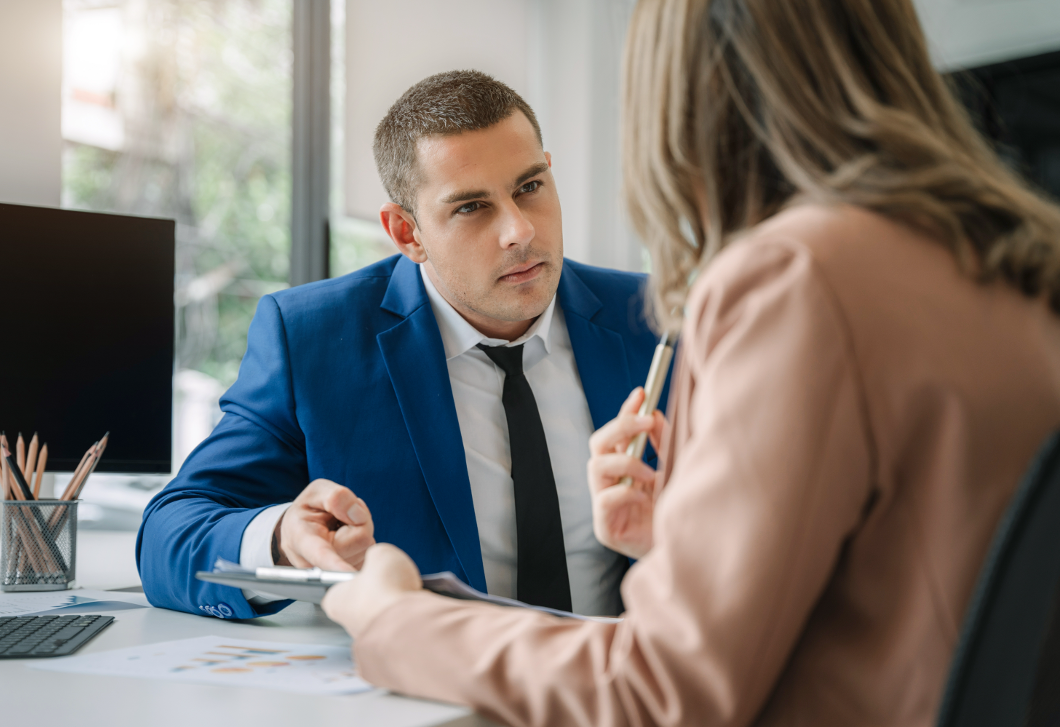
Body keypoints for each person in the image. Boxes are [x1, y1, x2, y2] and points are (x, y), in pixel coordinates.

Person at [320, 0, 1060, 725]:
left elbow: (661, 691)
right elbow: (926, 583)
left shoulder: (794, 278)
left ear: (682, 86)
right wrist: (689, 546)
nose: (517, 231)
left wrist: (397, 619)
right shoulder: (1017, 259)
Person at [137, 70, 664, 620]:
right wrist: (281, 540)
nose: (519, 231)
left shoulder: (655, 320)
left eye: (529, 187)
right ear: (407, 233)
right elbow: (170, 536)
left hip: (628, 685)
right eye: (471, 207)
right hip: (428, 694)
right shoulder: (312, 339)